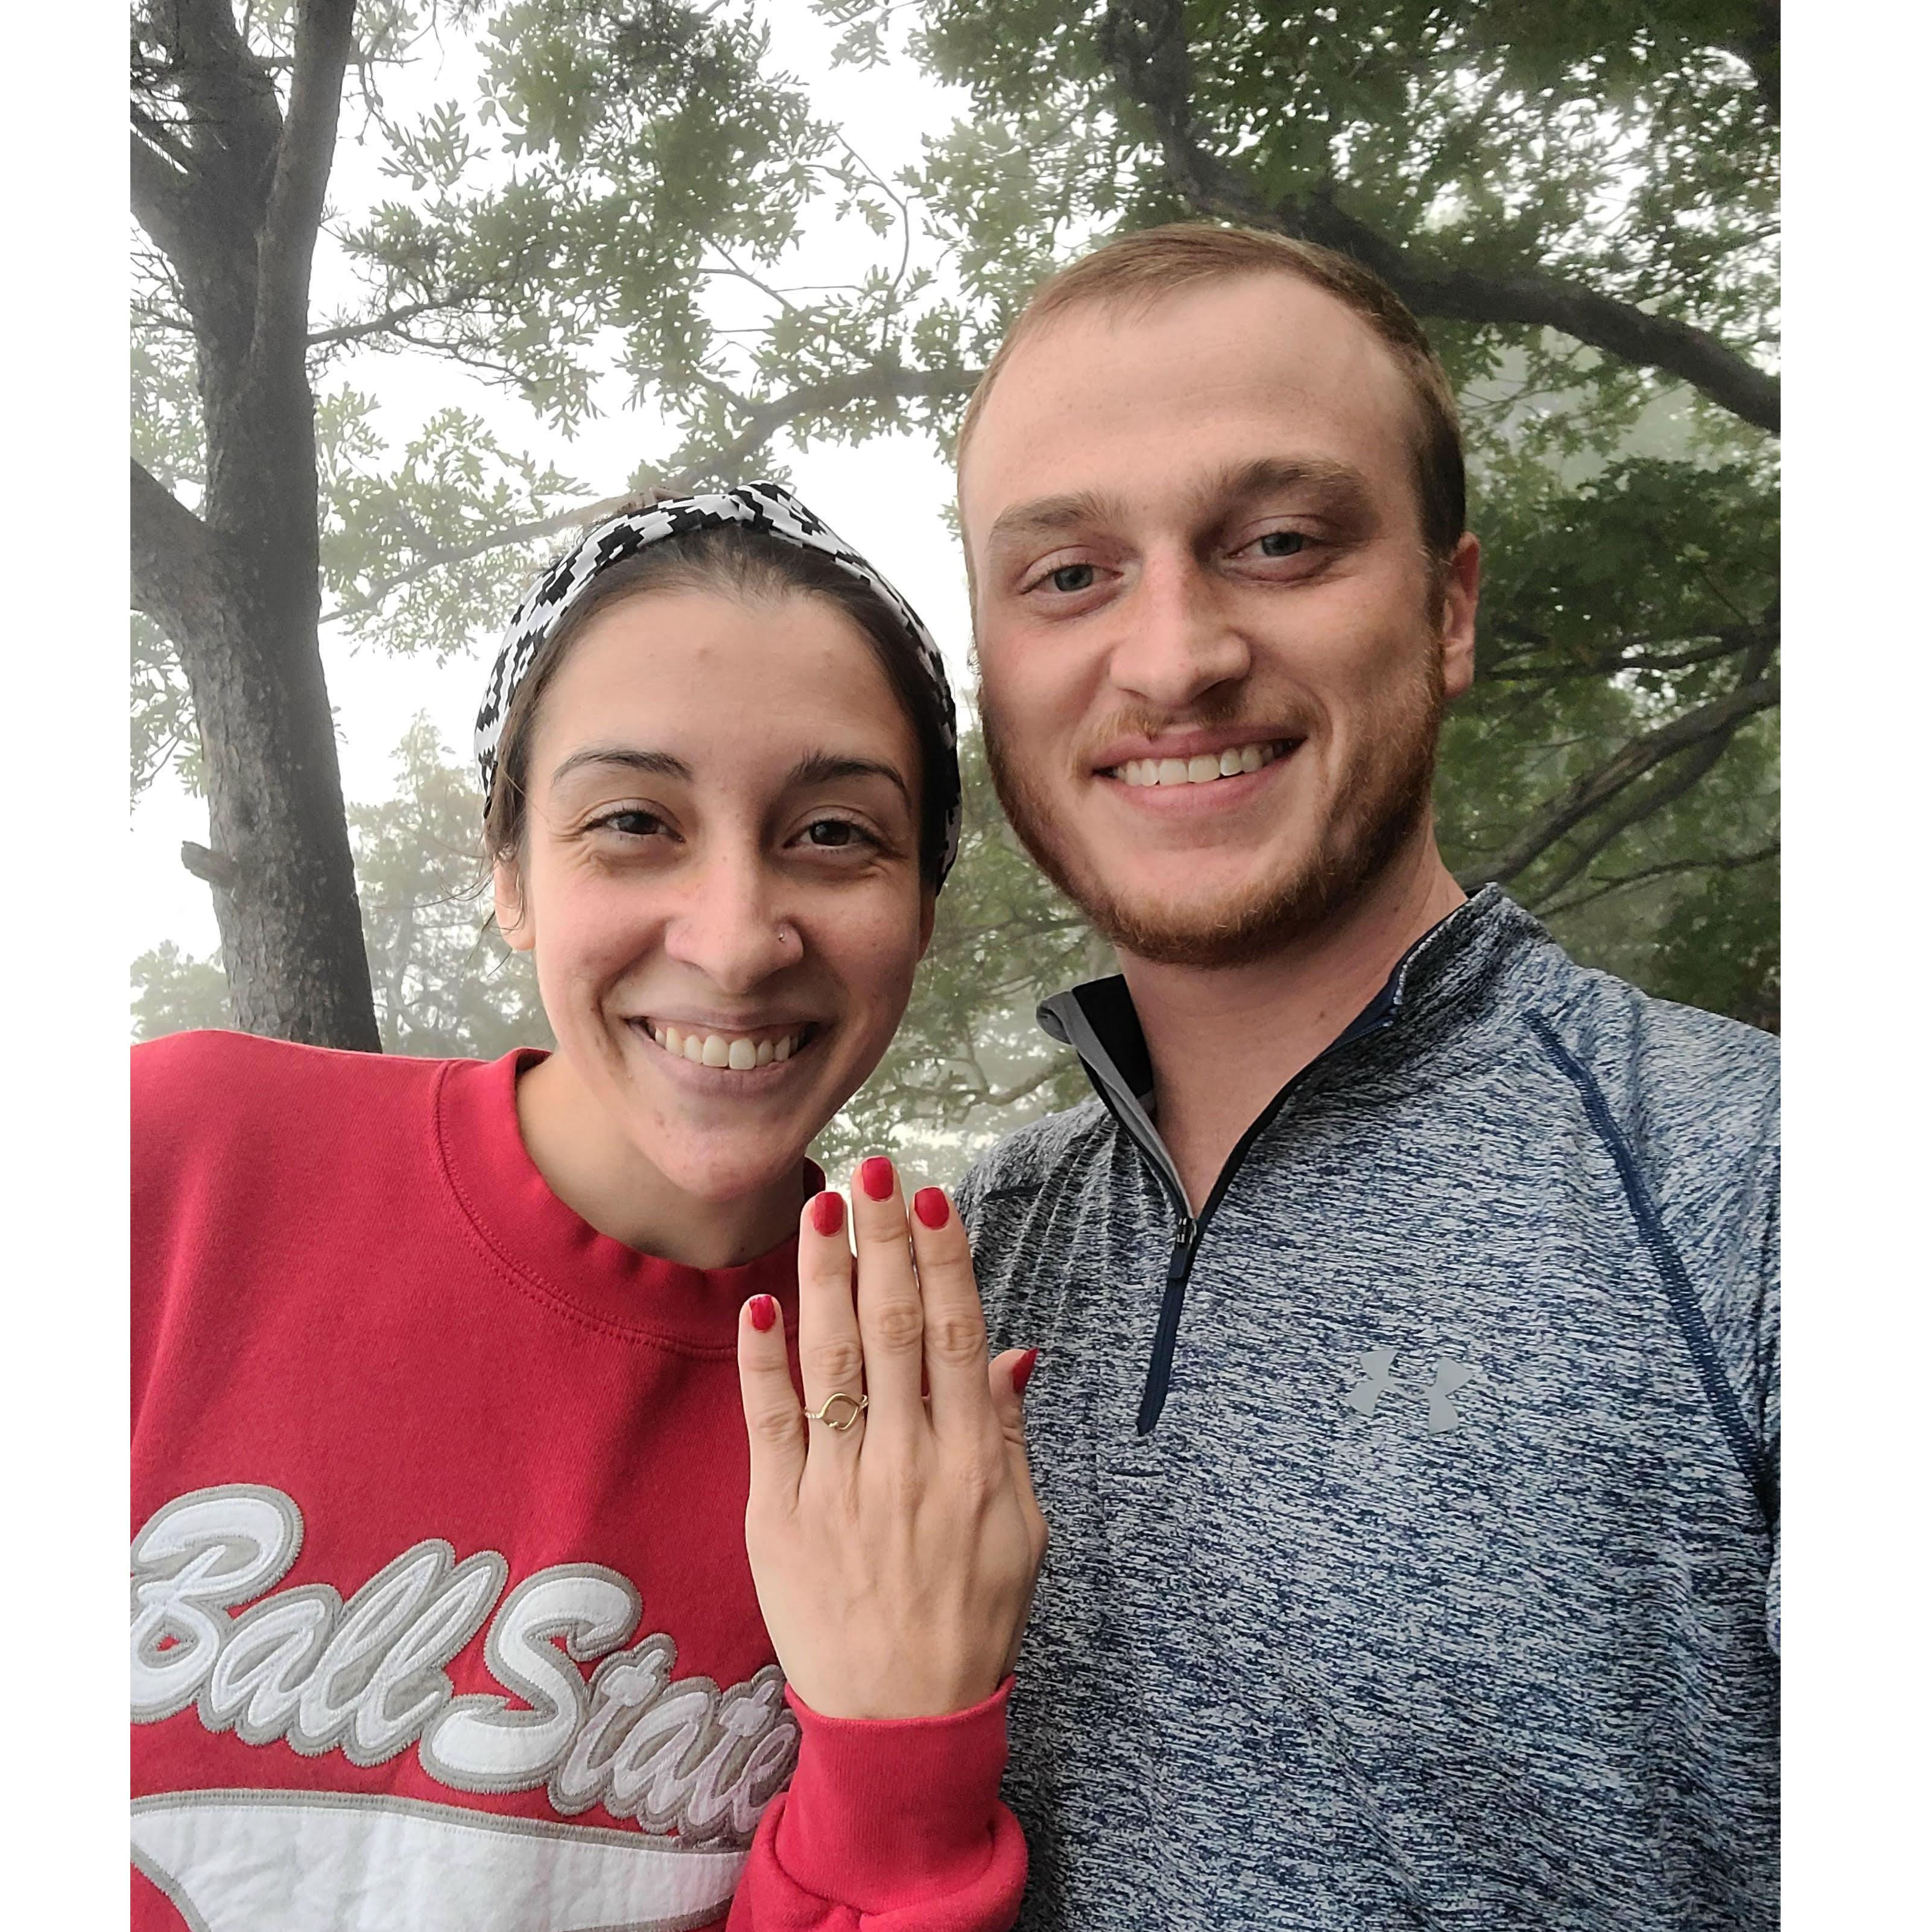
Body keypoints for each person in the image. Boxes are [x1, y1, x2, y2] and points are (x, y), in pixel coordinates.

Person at [948, 224, 1779, 1930]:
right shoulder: (930, 1274)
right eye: (1067, 575)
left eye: (1275, 541)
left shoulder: (1770, 1197)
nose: (1171, 655)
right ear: (991, 668)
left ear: (1448, 606)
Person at [130, 482, 1046, 1932]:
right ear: (510, 872)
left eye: (834, 834)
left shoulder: (923, 1423)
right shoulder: (169, 1167)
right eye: (635, 821)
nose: (738, 940)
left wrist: (901, 1747)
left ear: (923, 901)